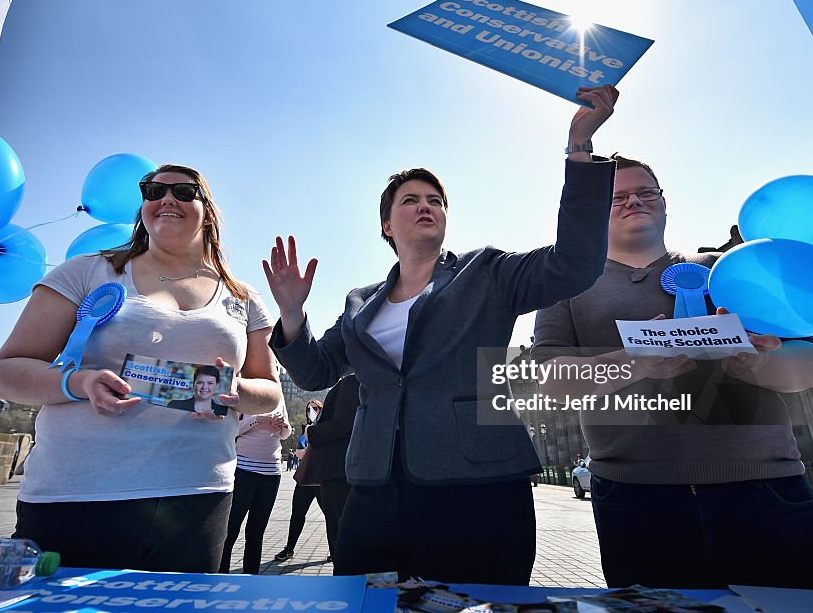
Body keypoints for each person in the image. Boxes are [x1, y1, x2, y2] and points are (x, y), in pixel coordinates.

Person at [263, 85, 619, 584]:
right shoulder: (359, 303)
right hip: (375, 487)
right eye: (410, 200)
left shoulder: (487, 272)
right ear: (387, 224)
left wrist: (579, 146)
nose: (425, 206)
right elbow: (315, 370)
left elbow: (575, 264)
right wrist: (292, 312)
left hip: (478, 488)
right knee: (367, 599)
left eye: (435, 200)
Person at [532, 154, 813, 590]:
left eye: (646, 192)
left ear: (664, 202)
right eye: (617, 197)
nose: (634, 201)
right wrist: (633, 362)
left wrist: (759, 362)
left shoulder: (724, 267)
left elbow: (808, 368)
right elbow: (551, 385)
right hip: (638, 497)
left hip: (766, 486)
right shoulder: (565, 290)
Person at [0, 164, 281, 573]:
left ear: (208, 211)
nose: (167, 199)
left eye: (183, 191)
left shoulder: (243, 296)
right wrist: (80, 381)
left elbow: (270, 390)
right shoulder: (87, 271)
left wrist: (234, 392)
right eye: (153, 190)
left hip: (198, 494)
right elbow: (4, 372)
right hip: (77, 494)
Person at [219, 396, 292, 574]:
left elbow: (285, 434)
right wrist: (257, 420)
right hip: (244, 469)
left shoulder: (278, 398)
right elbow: (232, 430)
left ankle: (251, 578)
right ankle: (220, 576)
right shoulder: (244, 395)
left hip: (272, 473)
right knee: (231, 528)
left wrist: (284, 425)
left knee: (256, 532)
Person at [307, 375, 361, 566]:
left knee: (338, 529)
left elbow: (341, 425)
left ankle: (342, 578)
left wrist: (311, 432)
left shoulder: (351, 383)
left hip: (337, 469)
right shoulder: (367, 383)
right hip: (347, 467)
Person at [274, 399, 326, 562]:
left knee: (331, 515)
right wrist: (306, 437)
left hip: (322, 478)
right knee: (297, 513)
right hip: (305, 478)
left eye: (315, 409)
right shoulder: (306, 429)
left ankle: (335, 550)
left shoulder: (326, 427)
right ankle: (289, 549)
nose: (312, 412)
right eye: (309, 409)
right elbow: (299, 451)